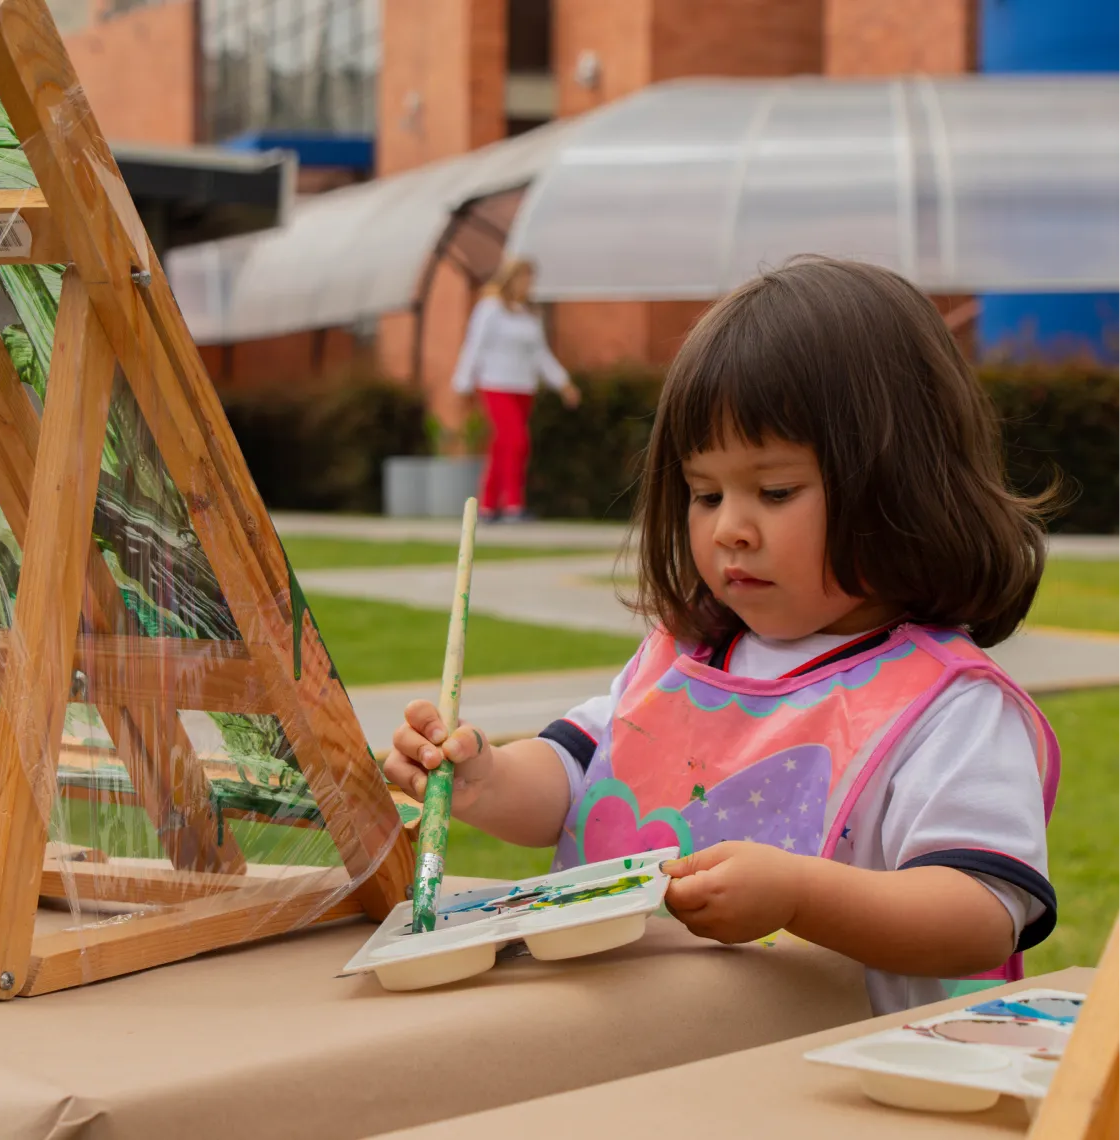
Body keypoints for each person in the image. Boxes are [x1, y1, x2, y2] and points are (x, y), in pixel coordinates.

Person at [388, 256, 1060, 1016]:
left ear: (900, 485)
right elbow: (577, 785)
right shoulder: (683, 658)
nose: (730, 529)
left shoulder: (949, 707)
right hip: (636, 1066)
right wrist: (482, 781)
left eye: (774, 490)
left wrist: (799, 896)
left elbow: (980, 917)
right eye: (705, 493)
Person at [450, 258, 581, 523]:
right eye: (523, 278)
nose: (528, 284)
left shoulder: (529, 314)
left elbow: (540, 354)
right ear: (510, 279)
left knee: (502, 447)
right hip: (495, 384)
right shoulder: (490, 308)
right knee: (517, 440)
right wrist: (462, 383)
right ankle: (512, 504)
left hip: (524, 387)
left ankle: (487, 506)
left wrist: (563, 382)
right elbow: (474, 345)